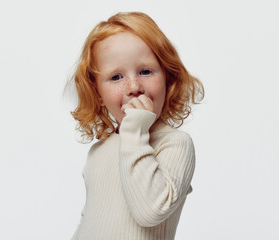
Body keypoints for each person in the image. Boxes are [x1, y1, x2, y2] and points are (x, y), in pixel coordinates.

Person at [65, 11, 204, 240]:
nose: (134, 86)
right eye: (116, 77)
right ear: (97, 92)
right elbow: (89, 220)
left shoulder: (175, 144)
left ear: (168, 79)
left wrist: (135, 130)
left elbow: (150, 212)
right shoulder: (99, 151)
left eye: (145, 71)